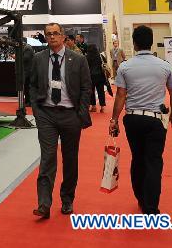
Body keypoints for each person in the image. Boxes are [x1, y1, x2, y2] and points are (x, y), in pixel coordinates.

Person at [109, 25, 172, 214]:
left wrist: (114, 119)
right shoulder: (164, 66)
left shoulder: (125, 66)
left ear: (134, 43)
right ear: (150, 41)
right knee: (154, 161)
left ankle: (140, 197)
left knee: (138, 158)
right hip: (156, 120)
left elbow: (120, 96)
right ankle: (151, 206)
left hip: (132, 119)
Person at [29, 22, 92, 218]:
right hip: (46, 114)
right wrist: (37, 112)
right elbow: (31, 85)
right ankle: (44, 204)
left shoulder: (78, 59)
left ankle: (67, 199)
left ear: (63, 36)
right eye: (49, 34)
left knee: (70, 159)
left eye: (56, 33)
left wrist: (79, 113)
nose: (52, 37)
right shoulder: (38, 59)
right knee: (47, 158)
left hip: (70, 115)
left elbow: (86, 88)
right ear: (45, 37)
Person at [85, 44, 107, 112]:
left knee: (91, 92)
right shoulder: (100, 55)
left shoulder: (86, 57)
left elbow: (85, 67)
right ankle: (102, 107)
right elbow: (105, 62)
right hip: (100, 76)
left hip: (90, 76)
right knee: (101, 91)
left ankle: (93, 107)